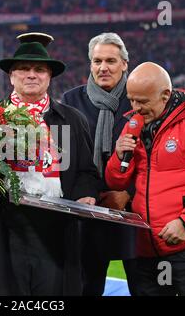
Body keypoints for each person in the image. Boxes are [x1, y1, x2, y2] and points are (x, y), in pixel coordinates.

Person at [0, 33, 101, 295]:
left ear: (49, 76)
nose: (31, 74)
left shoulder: (72, 120)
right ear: (11, 76)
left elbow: (86, 171)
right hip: (4, 230)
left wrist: (86, 194)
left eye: (39, 69)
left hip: (56, 232)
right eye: (23, 68)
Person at [105, 62, 185, 296]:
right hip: (144, 251)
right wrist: (118, 156)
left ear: (165, 95)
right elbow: (116, 182)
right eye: (132, 100)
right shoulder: (133, 125)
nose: (135, 108)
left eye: (143, 101)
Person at [62, 32, 137, 296]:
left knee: (143, 286)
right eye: (96, 61)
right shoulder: (71, 101)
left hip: (132, 212)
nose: (102, 67)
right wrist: (88, 196)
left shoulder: (139, 98)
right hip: (88, 210)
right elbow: (67, 159)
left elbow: (154, 157)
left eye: (110, 61)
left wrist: (128, 194)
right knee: (85, 288)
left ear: (124, 64)